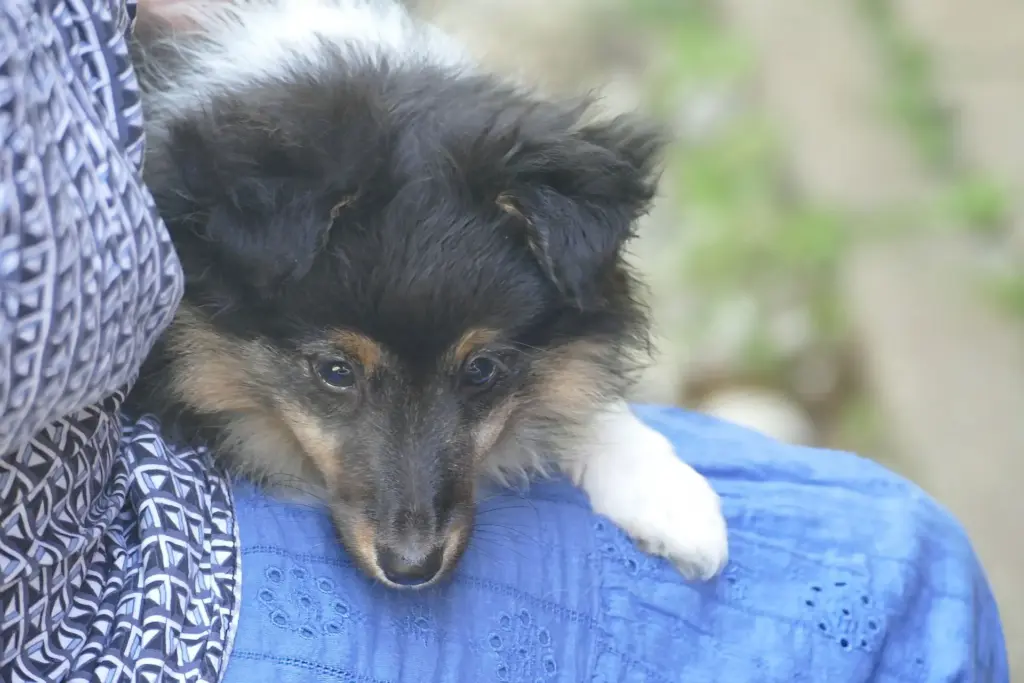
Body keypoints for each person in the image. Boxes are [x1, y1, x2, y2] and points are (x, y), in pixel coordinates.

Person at [0, 1, 1008, 681]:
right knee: (900, 569)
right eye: (338, 375)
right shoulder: (244, 207)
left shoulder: (414, 192)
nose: (410, 530)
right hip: (79, 603)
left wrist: (602, 433)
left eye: (481, 373)